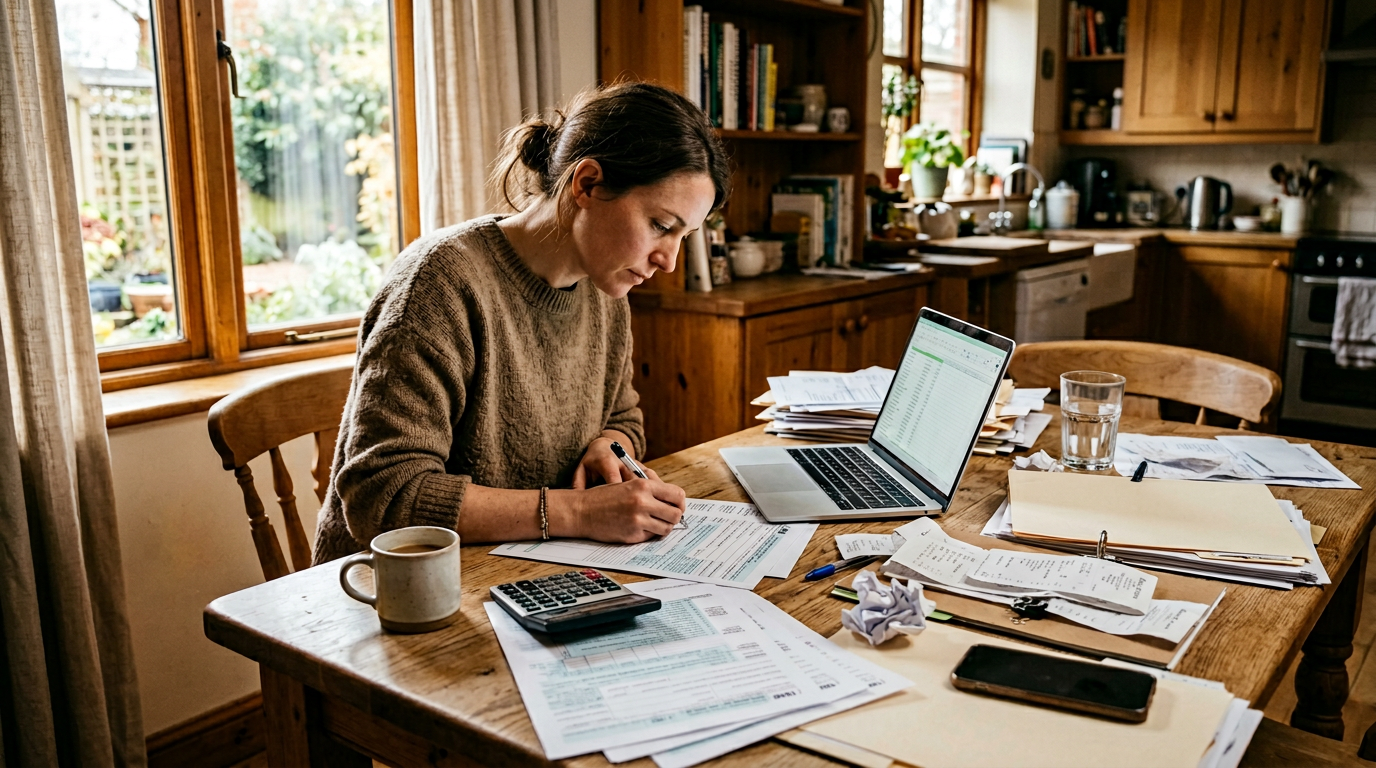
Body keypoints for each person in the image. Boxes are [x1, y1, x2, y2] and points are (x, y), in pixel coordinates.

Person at [311, 82, 730, 564]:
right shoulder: (440, 281)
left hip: (523, 569)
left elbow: (622, 417)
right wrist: (579, 513)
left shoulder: (607, 287)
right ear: (587, 184)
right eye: (661, 225)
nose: (669, 261)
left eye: (685, 235)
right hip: (384, 594)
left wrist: (608, 449)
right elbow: (385, 499)